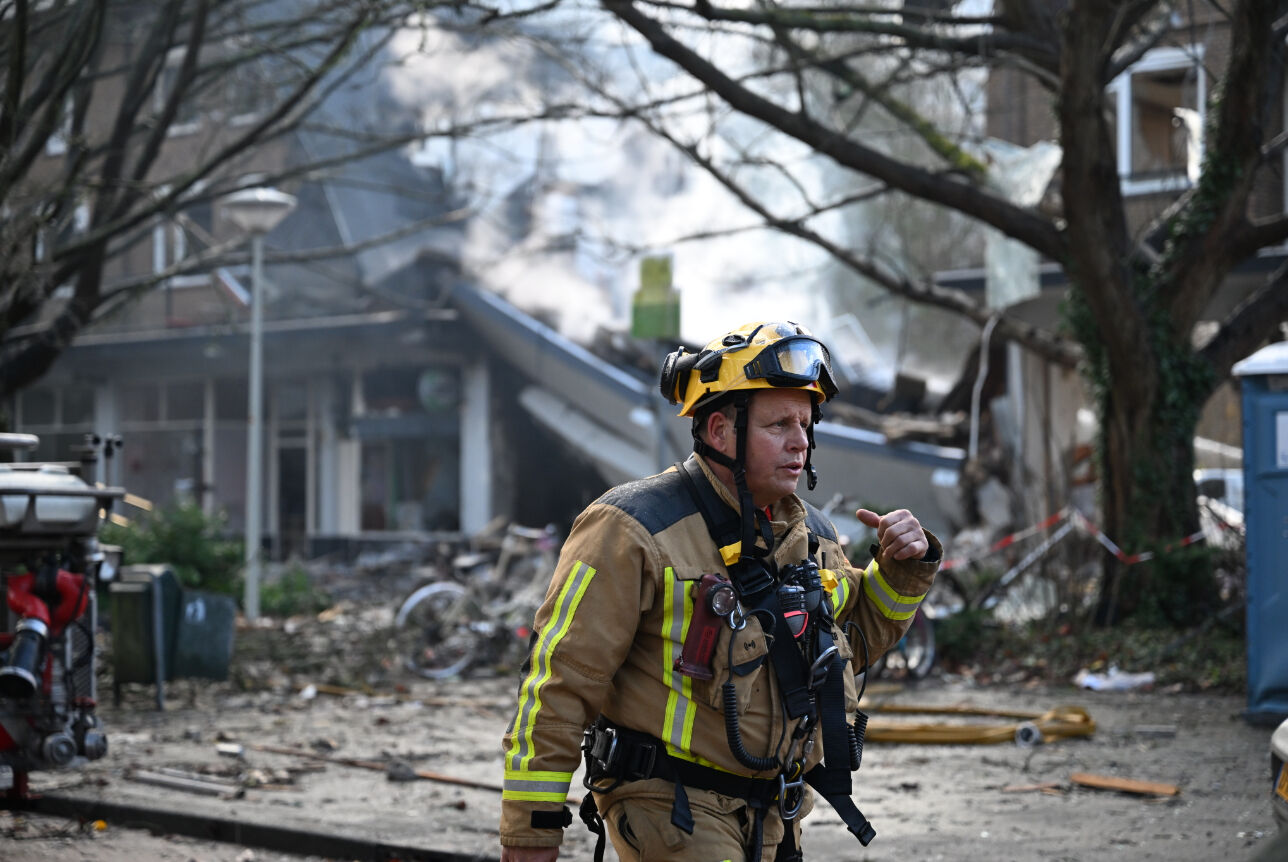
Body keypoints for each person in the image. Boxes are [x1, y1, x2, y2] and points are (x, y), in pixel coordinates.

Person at [499, 321, 941, 862]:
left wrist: (901, 570)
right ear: (718, 431)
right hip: (671, 807)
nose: (800, 440)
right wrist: (531, 832)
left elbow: (851, 644)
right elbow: (559, 683)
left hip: (775, 814)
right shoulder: (632, 527)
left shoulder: (813, 537)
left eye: (805, 422)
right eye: (779, 423)